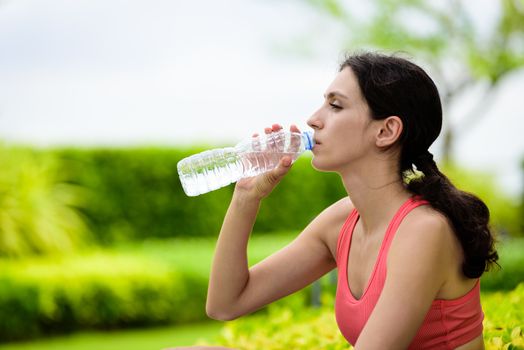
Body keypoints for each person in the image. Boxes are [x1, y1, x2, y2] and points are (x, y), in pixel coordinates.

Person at [170, 52, 498, 350]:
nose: (313, 119)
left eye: (335, 105)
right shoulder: (343, 222)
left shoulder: (424, 232)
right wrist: (246, 197)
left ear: (386, 131)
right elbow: (226, 304)